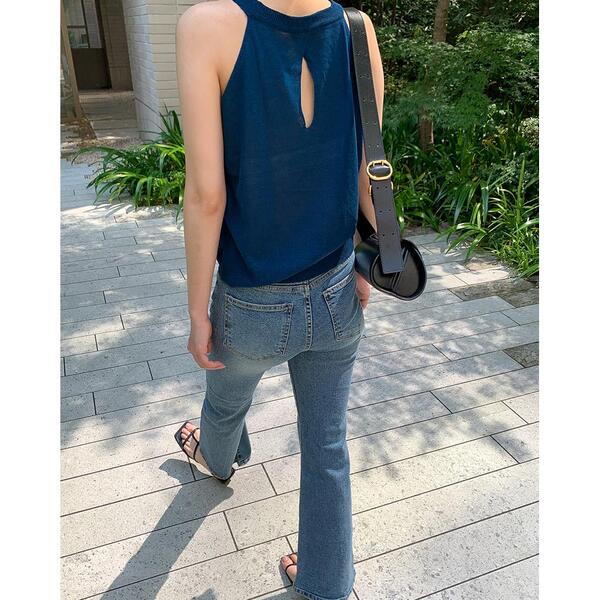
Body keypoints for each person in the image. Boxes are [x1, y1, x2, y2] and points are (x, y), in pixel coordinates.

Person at [174, 1, 384, 598]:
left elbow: (207, 194)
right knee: (326, 444)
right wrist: (366, 260)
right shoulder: (357, 29)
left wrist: (196, 312)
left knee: (225, 399)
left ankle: (217, 459)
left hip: (252, 301)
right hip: (337, 289)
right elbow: (368, 166)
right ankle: (325, 583)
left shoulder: (205, 27)